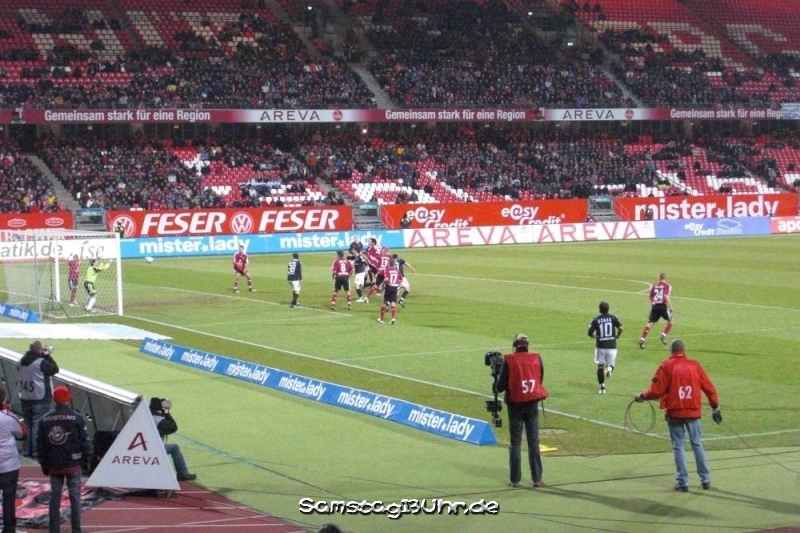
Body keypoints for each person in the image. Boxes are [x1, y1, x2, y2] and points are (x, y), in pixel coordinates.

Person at [634, 339, 722, 492]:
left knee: (678, 446)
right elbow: (709, 387)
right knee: (697, 443)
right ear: (684, 351)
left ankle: (683, 482)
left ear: (671, 351)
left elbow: (656, 391)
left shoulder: (666, 366)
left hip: (675, 412)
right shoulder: (695, 365)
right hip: (693, 411)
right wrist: (715, 407)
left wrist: (642, 396)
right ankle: (705, 479)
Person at [493, 334, 549, 488]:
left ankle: (515, 479)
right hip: (532, 405)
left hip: (515, 406)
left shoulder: (509, 360)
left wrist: (496, 379)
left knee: (515, 443)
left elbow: (500, 387)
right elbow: (539, 379)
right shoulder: (536, 358)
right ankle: (537, 479)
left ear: (515, 345)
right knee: (533, 442)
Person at [37, 385, 93, 533]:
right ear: (68, 400)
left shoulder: (44, 420)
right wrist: (86, 461)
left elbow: (40, 445)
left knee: (55, 497)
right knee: (75, 497)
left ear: (54, 400)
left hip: (54, 465)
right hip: (73, 464)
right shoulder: (77, 419)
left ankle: (53, 529)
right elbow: (85, 442)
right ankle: (76, 529)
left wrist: (44, 464)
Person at [16, 340, 59, 458]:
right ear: (40, 350)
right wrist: (48, 356)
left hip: (25, 397)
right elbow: (54, 369)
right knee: (37, 425)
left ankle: (26, 450)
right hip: (40, 398)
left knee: (27, 424)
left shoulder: (20, 362)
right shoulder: (41, 363)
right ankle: (35, 451)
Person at [149, 397, 197, 482]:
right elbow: (173, 427)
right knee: (175, 448)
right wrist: (167, 412)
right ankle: (183, 474)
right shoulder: (159, 419)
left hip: (142, 445)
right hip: (154, 448)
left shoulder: (146, 414)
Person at [0, 387, 27, 533]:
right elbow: (22, 433)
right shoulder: (8, 417)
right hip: (8, 466)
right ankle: (9, 529)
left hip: (8, 465)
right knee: (9, 499)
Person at [587, 301, 623, 394]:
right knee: (611, 365)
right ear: (608, 309)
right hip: (612, 346)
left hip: (600, 347)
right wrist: (617, 336)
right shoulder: (613, 317)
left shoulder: (596, 319)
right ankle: (610, 369)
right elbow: (621, 328)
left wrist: (596, 336)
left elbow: (589, 333)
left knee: (600, 367)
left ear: (599, 309)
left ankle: (602, 387)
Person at [639, 272, 674, 349]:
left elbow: (650, 296)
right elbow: (666, 296)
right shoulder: (667, 286)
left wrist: (653, 304)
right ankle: (663, 335)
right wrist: (670, 306)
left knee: (650, 324)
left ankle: (642, 339)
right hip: (662, 306)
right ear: (665, 278)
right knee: (670, 321)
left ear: (659, 278)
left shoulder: (654, 286)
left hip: (655, 306)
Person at [377, 259, 403, 325]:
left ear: (389, 264)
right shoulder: (397, 271)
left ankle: (381, 319)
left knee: (384, 303)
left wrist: (381, 285)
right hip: (395, 288)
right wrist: (398, 285)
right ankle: (393, 318)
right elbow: (401, 279)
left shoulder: (388, 270)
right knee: (393, 303)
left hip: (389, 287)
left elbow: (386, 279)